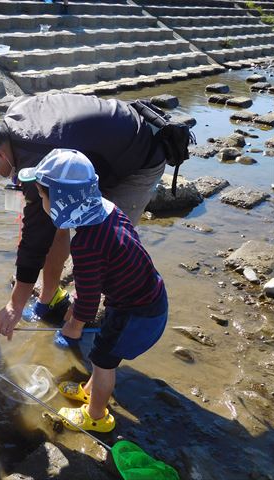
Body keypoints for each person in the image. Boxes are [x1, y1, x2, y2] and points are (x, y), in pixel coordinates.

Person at [0, 93, 166, 334]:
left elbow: (35, 239)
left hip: (137, 155)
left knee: (101, 241)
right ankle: (48, 298)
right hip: (99, 149)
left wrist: (15, 303)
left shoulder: (38, 156)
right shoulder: (14, 118)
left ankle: (81, 318)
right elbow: (49, 226)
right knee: (58, 219)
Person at [17, 148, 168, 432]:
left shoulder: (87, 244)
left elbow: (88, 298)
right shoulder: (108, 210)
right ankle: (90, 390)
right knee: (106, 353)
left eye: (43, 196)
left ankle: (96, 416)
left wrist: (74, 325)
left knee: (102, 360)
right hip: (147, 297)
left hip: (137, 313)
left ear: (62, 199)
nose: (41, 201)